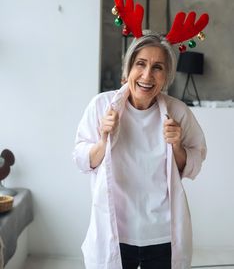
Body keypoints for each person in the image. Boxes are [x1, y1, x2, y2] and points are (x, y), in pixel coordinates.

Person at [73, 30, 207, 269]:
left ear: (166, 76)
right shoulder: (101, 106)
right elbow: (83, 160)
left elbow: (194, 162)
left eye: (157, 67)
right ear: (128, 69)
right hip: (115, 234)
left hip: (162, 236)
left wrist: (177, 146)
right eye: (141, 64)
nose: (147, 75)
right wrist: (103, 140)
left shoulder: (178, 112)